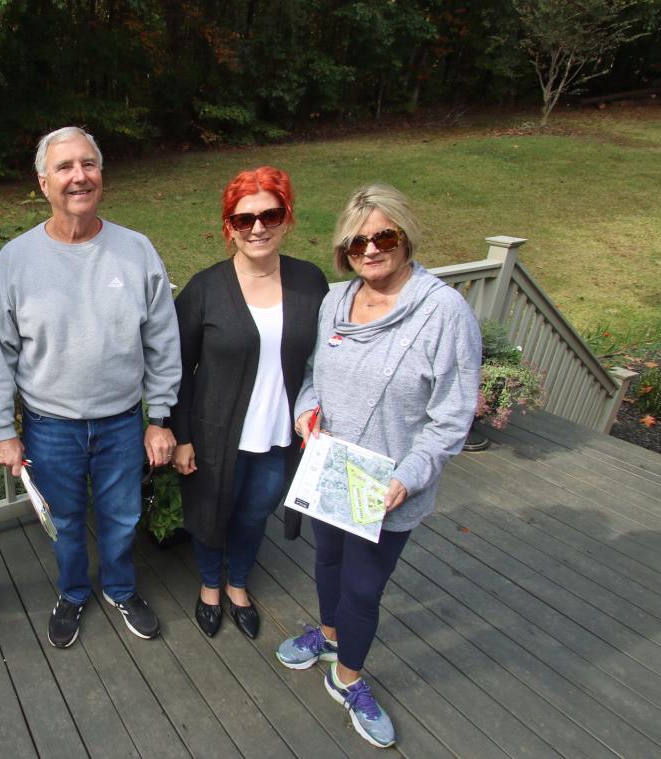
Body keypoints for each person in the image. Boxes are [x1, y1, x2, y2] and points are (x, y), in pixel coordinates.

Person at [275, 183, 481, 748]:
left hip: (387, 487)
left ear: (406, 236)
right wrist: (307, 411)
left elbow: (451, 417)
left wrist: (406, 478)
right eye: (357, 241)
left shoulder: (442, 313)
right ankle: (329, 632)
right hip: (331, 469)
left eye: (384, 236)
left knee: (364, 588)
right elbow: (315, 374)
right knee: (328, 563)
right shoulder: (337, 300)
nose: (371, 249)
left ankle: (347, 680)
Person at [0, 126, 181, 648]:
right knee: (65, 523)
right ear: (43, 181)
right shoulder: (16, 260)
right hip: (50, 427)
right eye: (65, 167)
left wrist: (158, 417)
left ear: (101, 175)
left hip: (121, 422)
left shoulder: (136, 251)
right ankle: (72, 593)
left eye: (88, 164)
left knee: (121, 517)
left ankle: (119, 588)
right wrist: (3, 429)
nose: (79, 176)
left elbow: (163, 341)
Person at [170, 166, 328, 640]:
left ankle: (239, 583)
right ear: (229, 227)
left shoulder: (309, 282)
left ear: (286, 219)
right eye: (244, 219)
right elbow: (176, 368)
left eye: (269, 215)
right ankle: (211, 586)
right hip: (216, 434)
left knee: (255, 513)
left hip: (281, 436)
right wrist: (182, 436)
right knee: (211, 512)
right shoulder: (205, 289)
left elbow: (325, 359)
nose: (257, 227)